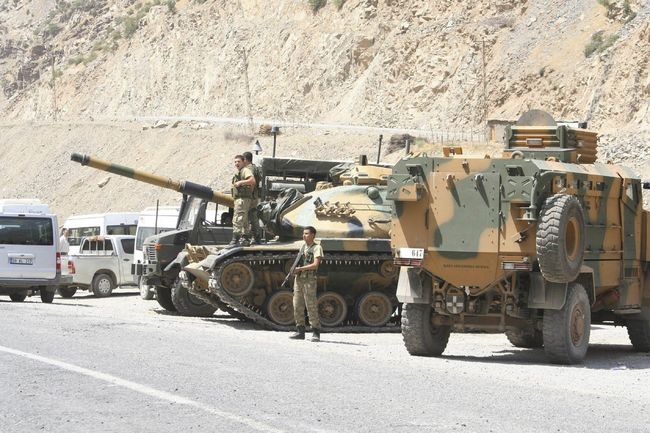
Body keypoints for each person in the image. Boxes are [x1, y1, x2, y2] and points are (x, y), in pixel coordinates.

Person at [289, 226, 323, 342]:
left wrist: (300, 269)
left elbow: (315, 265)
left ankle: (315, 332)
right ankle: (300, 331)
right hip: (299, 279)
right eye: (303, 233)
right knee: (297, 305)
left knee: (311, 305)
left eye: (307, 233)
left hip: (309, 280)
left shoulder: (317, 247)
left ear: (313, 235)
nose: (304, 235)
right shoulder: (303, 247)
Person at [229, 155, 256, 247]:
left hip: (242, 199)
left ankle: (235, 240)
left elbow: (252, 181)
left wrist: (240, 182)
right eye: (235, 162)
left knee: (238, 218)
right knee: (244, 220)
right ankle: (246, 238)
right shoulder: (240, 172)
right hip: (241, 198)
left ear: (243, 161)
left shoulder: (245, 170)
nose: (236, 163)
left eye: (238, 161)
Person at [243, 151, 262, 245]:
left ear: (245, 159)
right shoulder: (255, 168)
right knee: (253, 216)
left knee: (247, 217)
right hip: (254, 196)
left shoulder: (249, 169)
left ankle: (247, 237)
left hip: (250, 196)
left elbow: (251, 182)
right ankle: (256, 237)